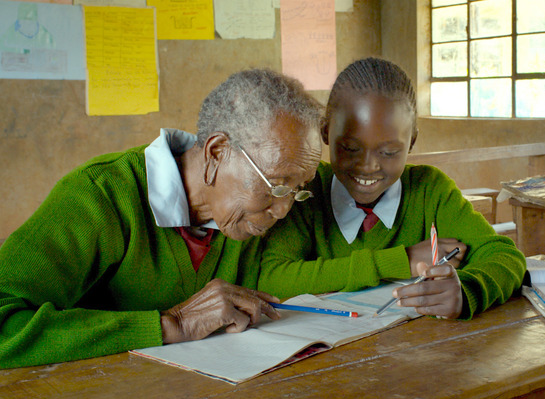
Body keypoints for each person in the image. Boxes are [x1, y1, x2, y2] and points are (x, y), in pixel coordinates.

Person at [0, 68, 323, 369]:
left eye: (298, 190)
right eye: (277, 186)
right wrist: (171, 324)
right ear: (216, 153)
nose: (284, 210)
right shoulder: (101, 196)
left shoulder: (250, 209)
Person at [258, 58, 526, 320]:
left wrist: (466, 292)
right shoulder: (305, 190)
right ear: (325, 131)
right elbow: (273, 280)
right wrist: (401, 260)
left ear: (412, 142)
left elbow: (505, 257)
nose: (368, 166)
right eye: (350, 148)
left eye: (389, 152)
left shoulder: (430, 191)